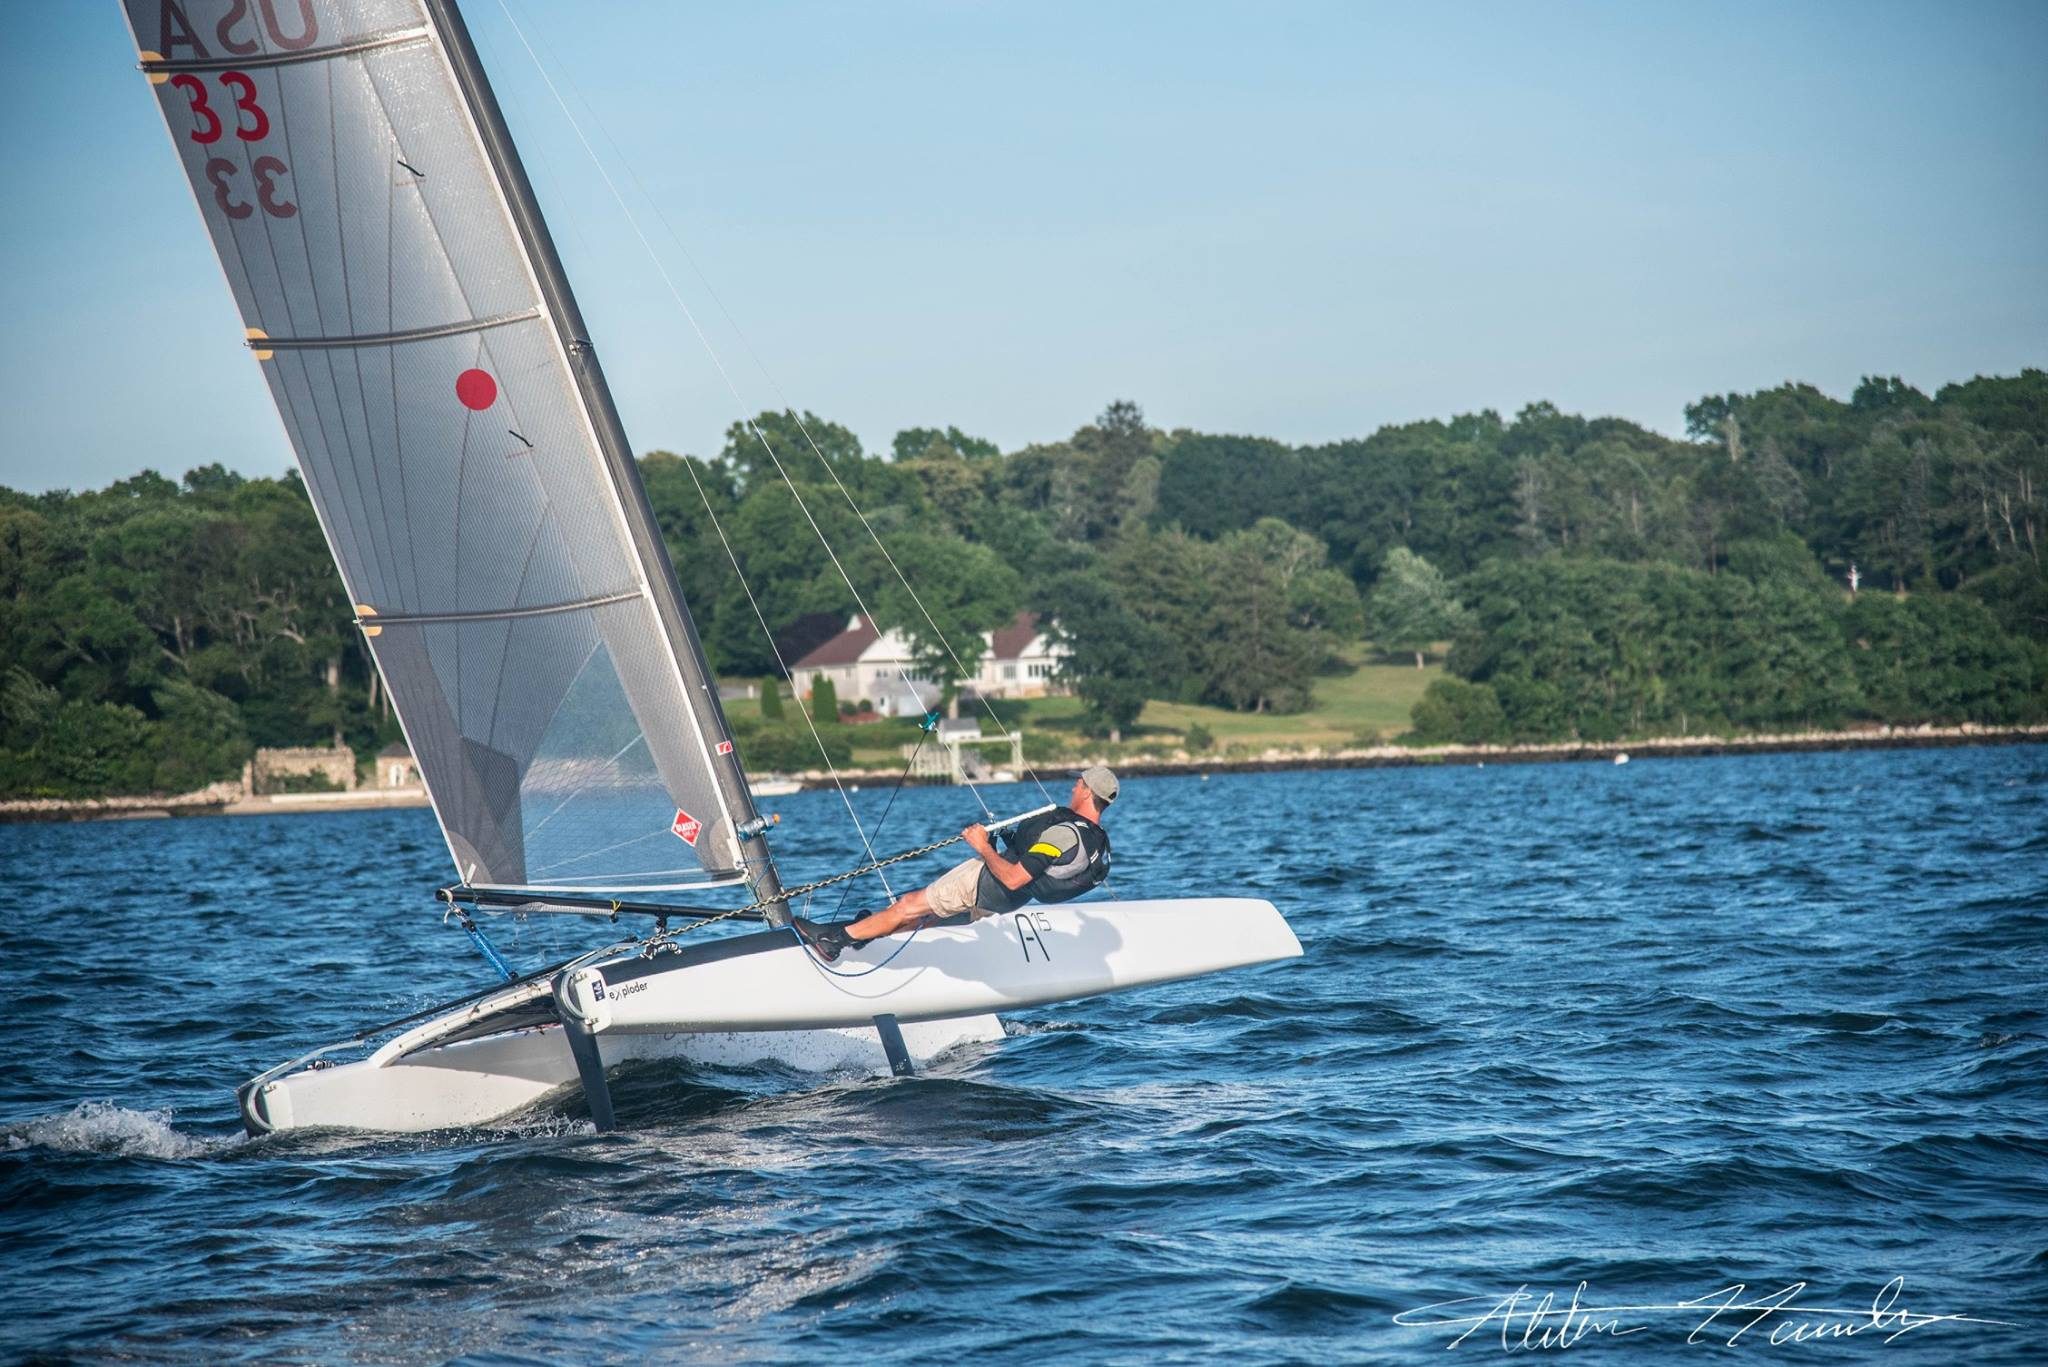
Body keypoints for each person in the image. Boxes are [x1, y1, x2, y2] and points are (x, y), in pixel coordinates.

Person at [794, 766, 1118, 961]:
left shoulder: (1064, 835)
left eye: (1078, 784)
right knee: (929, 915)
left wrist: (983, 848)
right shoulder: (1092, 839)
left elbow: (1015, 877)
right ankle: (868, 933)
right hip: (1007, 901)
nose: (1073, 786)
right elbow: (1032, 877)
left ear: (1088, 792)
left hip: (985, 884)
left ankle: (833, 942)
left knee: (910, 904)